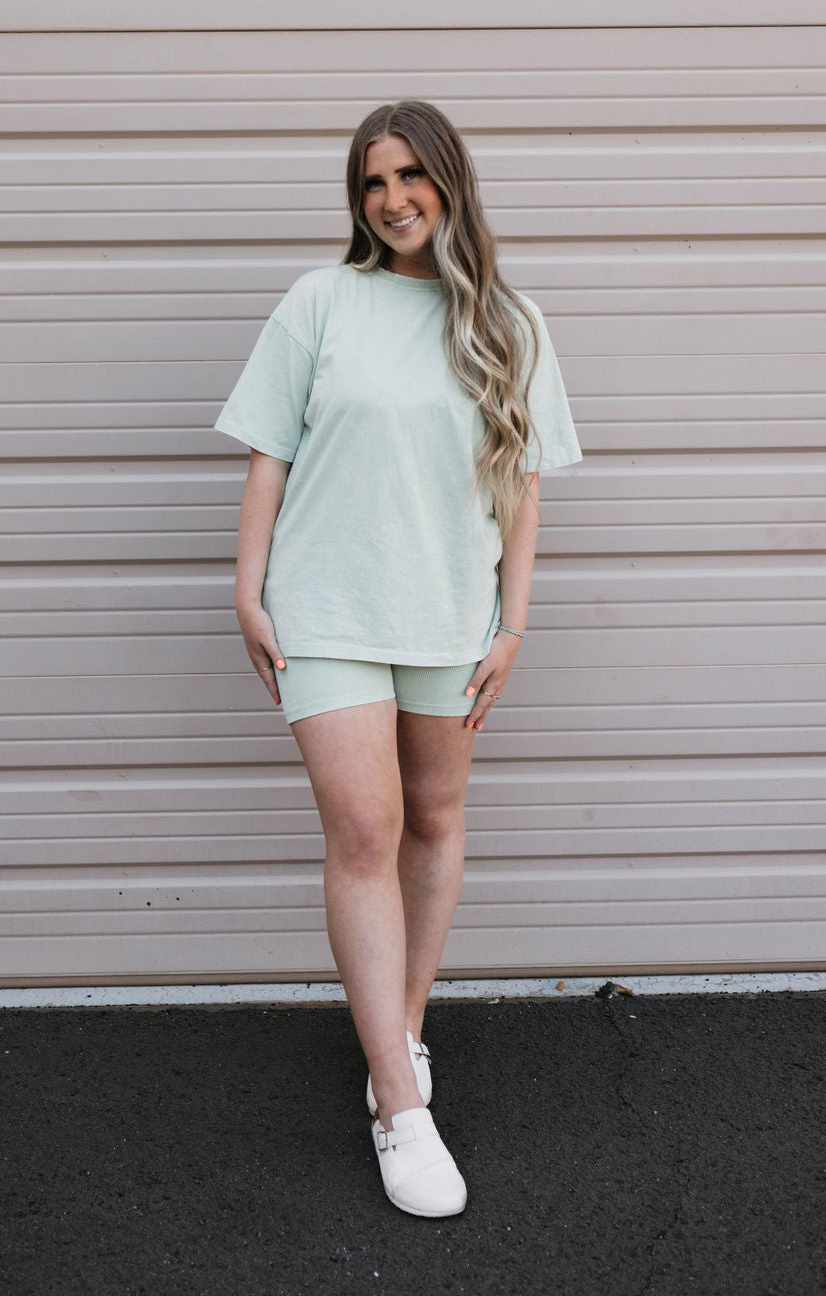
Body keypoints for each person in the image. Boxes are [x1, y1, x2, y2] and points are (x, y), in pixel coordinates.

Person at [214, 100, 581, 1218]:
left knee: (433, 818)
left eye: (412, 176)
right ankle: (397, 1101)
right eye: (373, 181)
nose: (393, 199)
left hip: (448, 618)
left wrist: (512, 622)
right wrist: (245, 587)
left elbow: (522, 490)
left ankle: (404, 1028)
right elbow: (270, 455)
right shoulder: (320, 302)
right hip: (326, 609)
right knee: (363, 830)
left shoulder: (510, 321)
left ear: (450, 183)